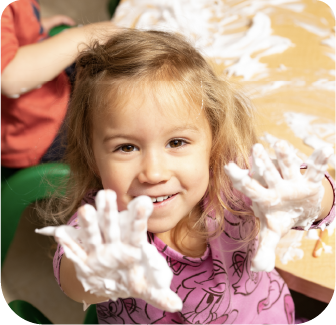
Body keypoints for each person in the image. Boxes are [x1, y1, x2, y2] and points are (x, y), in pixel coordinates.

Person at [37, 29, 336, 324]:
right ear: (92, 156)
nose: (154, 173)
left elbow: (320, 196)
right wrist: (97, 271)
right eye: (126, 147)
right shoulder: (101, 225)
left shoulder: (237, 180)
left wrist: (310, 197)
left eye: (176, 143)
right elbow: (72, 276)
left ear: (214, 141)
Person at [0, 0, 118, 168]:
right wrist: (81, 35)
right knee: (114, 127)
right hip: (36, 131)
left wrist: (35, 27)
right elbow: (7, 76)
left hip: (47, 94)